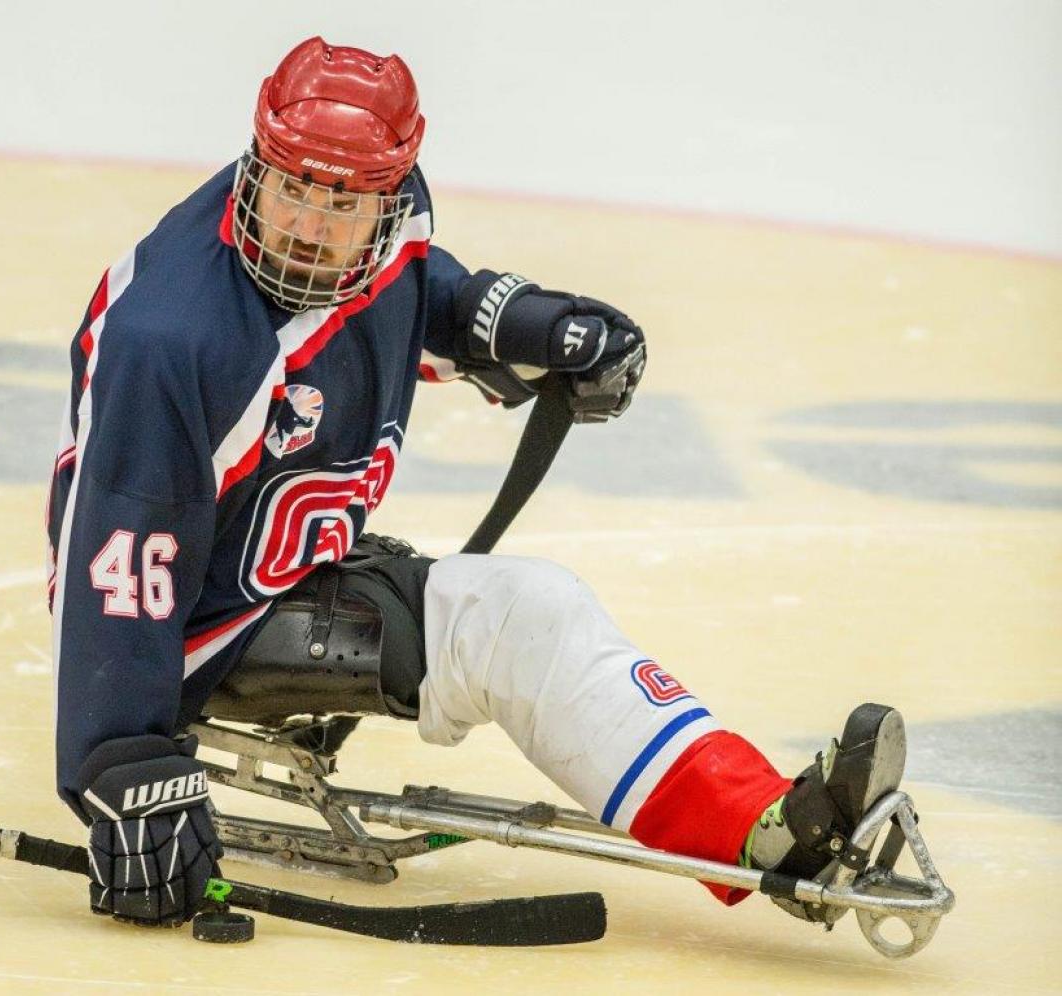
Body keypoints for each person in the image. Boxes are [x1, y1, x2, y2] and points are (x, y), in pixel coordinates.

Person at [47, 36, 905, 931]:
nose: (306, 225)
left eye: (342, 203)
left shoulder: (392, 226)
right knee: (522, 621)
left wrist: (527, 323)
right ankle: (758, 836)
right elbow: (120, 566)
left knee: (528, 612)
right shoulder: (174, 341)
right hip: (195, 624)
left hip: (284, 554)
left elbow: (420, 290)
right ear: (256, 162)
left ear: (387, 199)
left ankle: (757, 820)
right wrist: (124, 764)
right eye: (292, 187)